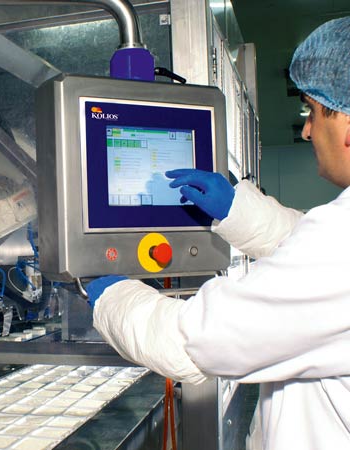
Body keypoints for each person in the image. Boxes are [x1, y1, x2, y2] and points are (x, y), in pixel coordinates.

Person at [88, 17, 350, 450]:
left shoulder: (337, 243)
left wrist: (108, 295)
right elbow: (304, 248)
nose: (306, 130)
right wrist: (236, 209)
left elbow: (191, 344)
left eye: (312, 111)